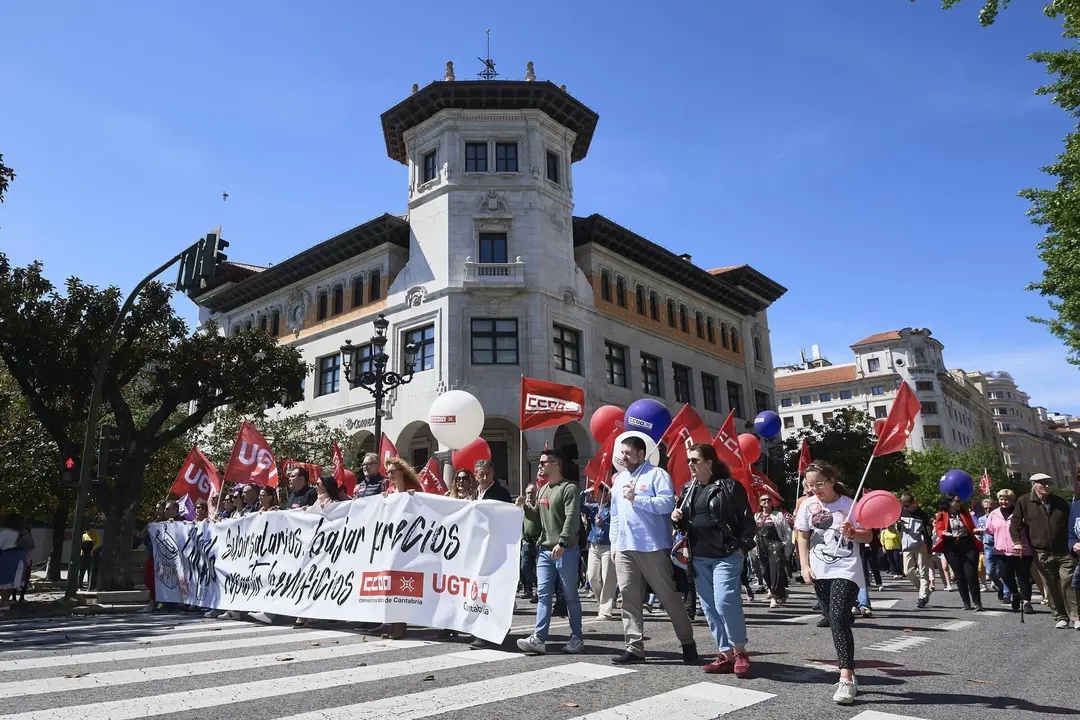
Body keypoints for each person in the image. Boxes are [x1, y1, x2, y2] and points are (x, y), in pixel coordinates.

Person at [608, 435, 698, 665]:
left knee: (668, 596)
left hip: (652, 547)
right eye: (622, 453)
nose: (623, 457)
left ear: (641, 453)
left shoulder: (657, 474)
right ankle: (634, 647)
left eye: (628, 453)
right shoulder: (619, 481)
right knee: (629, 598)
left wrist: (637, 499)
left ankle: (687, 643)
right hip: (626, 548)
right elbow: (616, 516)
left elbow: (667, 504)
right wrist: (614, 544)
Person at [794, 462, 872, 706]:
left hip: (846, 568)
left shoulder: (850, 505)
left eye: (819, 484)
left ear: (831, 480)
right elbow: (803, 536)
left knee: (838, 617)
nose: (815, 489)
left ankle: (846, 677)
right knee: (832, 618)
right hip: (820, 569)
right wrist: (804, 566)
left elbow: (868, 535)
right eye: (810, 484)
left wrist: (852, 532)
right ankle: (848, 664)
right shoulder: (807, 505)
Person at [672, 444, 753, 677]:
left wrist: (742, 547)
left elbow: (746, 519)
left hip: (725, 554)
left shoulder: (729, 487)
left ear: (709, 462)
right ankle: (724, 653)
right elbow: (685, 523)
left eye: (694, 460)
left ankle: (740, 651)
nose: (690, 465)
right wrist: (676, 519)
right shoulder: (688, 489)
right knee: (708, 607)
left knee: (725, 601)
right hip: (698, 556)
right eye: (689, 461)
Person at [516, 449, 584, 655]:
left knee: (570, 595)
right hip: (545, 550)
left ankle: (577, 637)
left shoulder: (569, 489)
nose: (540, 465)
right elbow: (537, 517)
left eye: (544, 462)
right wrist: (525, 507)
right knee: (544, 595)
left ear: (556, 464)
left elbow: (572, 518)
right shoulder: (543, 489)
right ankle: (539, 638)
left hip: (566, 550)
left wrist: (562, 542)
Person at [1010, 473, 1079, 629]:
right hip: (1041, 551)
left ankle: (1075, 616)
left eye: (1049, 482)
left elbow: (1072, 523)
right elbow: (1015, 524)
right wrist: (1017, 542)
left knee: (1068, 582)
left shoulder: (1060, 502)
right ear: (1034, 484)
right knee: (1051, 584)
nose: (1047, 486)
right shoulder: (1024, 501)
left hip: (1064, 550)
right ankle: (1060, 617)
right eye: (1043, 483)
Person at [985, 489, 1034, 614]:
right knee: (1005, 576)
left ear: (1011, 500)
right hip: (1001, 550)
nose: (1004, 501)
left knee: (1023, 577)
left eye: (1006, 499)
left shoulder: (1019, 512)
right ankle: (1015, 593)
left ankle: (1027, 602)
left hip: (1021, 549)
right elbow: (990, 530)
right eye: (1001, 499)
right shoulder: (994, 514)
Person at [933, 493, 984, 611]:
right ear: (950, 502)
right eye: (957, 501)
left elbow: (971, 527)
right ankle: (966, 602)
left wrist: (976, 530)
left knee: (971, 574)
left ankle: (977, 602)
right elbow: (939, 529)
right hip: (952, 548)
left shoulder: (964, 513)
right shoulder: (942, 515)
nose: (959, 503)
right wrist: (944, 533)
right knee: (959, 576)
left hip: (968, 547)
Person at [583, 483, 616, 620]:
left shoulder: (613, 508)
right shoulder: (592, 508)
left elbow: (617, 524)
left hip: (608, 546)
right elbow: (578, 505)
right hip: (594, 545)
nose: (597, 495)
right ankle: (602, 602)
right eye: (596, 493)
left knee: (607, 578)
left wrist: (605, 524)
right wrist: (584, 492)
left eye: (600, 492)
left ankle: (606, 610)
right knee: (593, 577)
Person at [897, 493, 934, 608]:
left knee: (923, 571)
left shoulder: (922, 514)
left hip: (920, 544)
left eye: (907, 505)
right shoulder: (901, 513)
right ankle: (924, 590)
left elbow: (928, 533)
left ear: (914, 503)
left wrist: (929, 548)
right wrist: (898, 524)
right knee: (908, 571)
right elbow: (898, 530)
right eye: (903, 505)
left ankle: (922, 597)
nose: (905, 508)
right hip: (906, 545)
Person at [755, 494, 792, 608]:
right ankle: (781, 592)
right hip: (762, 547)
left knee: (775, 572)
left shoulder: (778, 515)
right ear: (760, 503)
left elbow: (787, 531)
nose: (766, 501)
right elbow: (753, 531)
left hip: (775, 546)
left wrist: (784, 544)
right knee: (765, 571)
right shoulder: (757, 516)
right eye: (763, 500)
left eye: (769, 500)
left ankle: (775, 597)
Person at [520, 483, 540, 603]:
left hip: (538, 541)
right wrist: (522, 539)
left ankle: (539, 592)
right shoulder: (522, 507)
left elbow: (534, 516)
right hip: (527, 542)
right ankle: (538, 583)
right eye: (528, 492)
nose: (530, 495)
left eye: (532, 492)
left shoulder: (539, 506)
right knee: (525, 567)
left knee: (538, 568)